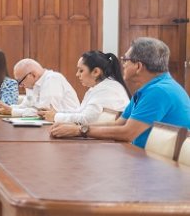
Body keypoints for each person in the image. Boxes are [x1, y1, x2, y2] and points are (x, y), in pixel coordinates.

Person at [51, 37, 190, 148]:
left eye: (126, 60)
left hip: (159, 171)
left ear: (138, 66)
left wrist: (80, 131)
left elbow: (128, 133)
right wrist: (77, 128)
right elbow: (119, 124)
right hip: (143, 160)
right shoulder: (149, 89)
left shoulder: (160, 91)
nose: (123, 64)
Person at [39, 51, 130, 124]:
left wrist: (55, 117)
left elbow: (86, 119)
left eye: (81, 70)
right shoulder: (99, 87)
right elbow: (81, 112)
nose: (77, 74)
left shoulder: (107, 89)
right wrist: (56, 113)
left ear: (96, 72)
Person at [0, 58, 80, 117]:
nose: (20, 85)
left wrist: (12, 111)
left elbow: (43, 113)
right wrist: (7, 108)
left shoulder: (52, 79)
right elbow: (26, 106)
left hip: (68, 126)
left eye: (20, 81)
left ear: (32, 75)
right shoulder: (31, 85)